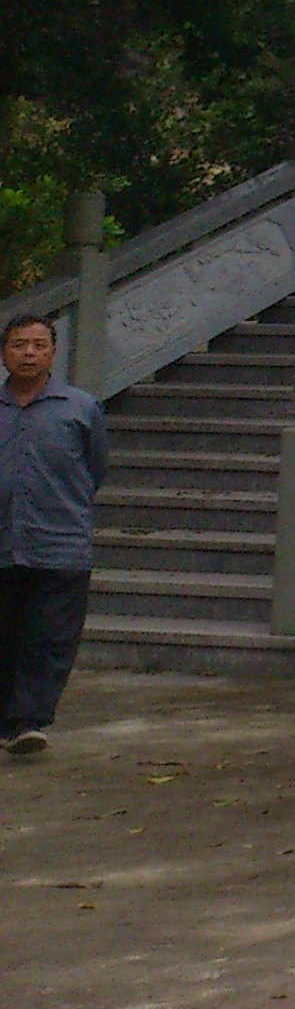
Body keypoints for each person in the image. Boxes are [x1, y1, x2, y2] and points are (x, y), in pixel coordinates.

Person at [1, 313, 106, 756]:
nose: (29, 353)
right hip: (4, 544)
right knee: (6, 634)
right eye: (19, 344)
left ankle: (29, 721)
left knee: (50, 637)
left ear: (53, 353)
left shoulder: (80, 408)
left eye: (39, 345)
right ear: (4, 352)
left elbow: (95, 469)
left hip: (60, 542)